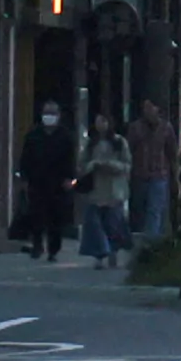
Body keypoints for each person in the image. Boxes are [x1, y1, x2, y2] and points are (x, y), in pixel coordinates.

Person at [15, 102, 74, 262]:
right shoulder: (33, 135)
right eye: (47, 113)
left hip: (58, 183)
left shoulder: (65, 136)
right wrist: (24, 178)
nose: (49, 116)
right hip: (37, 181)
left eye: (52, 113)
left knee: (56, 218)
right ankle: (37, 245)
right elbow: (25, 158)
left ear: (59, 115)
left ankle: (53, 250)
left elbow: (70, 159)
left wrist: (69, 178)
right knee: (36, 215)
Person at [74, 113, 133, 270]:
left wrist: (111, 165)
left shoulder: (119, 142)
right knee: (95, 225)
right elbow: (81, 164)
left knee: (114, 225)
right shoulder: (91, 143)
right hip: (95, 190)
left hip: (115, 190)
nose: (100, 125)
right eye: (98, 122)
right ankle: (99, 255)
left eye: (103, 121)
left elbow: (127, 165)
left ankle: (113, 251)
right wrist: (93, 165)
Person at [125, 100, 177, 241]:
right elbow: (129, 150)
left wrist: (173, 173)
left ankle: (151, 241)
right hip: (139, 174)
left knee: (155, 209)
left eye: (150, 107)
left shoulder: (166, 128)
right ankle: (141, 238)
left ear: (157, 108)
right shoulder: (135, 128)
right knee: (139, 208)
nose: (147, 111)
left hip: (159, 174)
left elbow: (171, 152)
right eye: (145, 108)